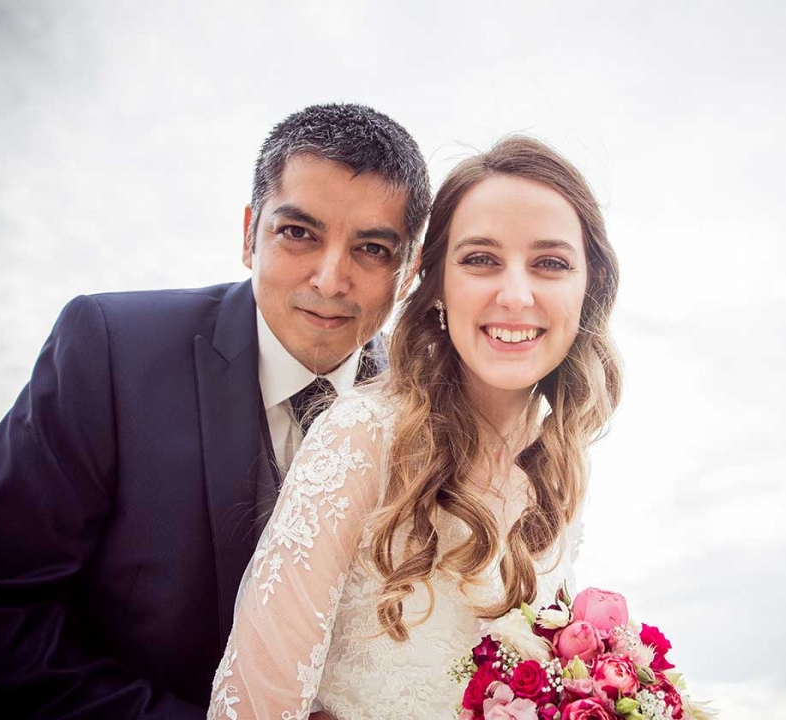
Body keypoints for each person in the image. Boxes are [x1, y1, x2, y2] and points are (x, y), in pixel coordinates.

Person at [0, 103, 430, 719]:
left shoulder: (426, 417)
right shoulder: (110, 350)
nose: (331, 279)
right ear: (249, 234)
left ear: (409, 272)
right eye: (299, 233)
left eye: (372, 248)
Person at [208, 136, 623, 719]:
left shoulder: (560, 463)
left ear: (590, 285)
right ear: (434, 282)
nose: (515, 295)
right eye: (480, 259)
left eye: (550, 264)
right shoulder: (361, 436)